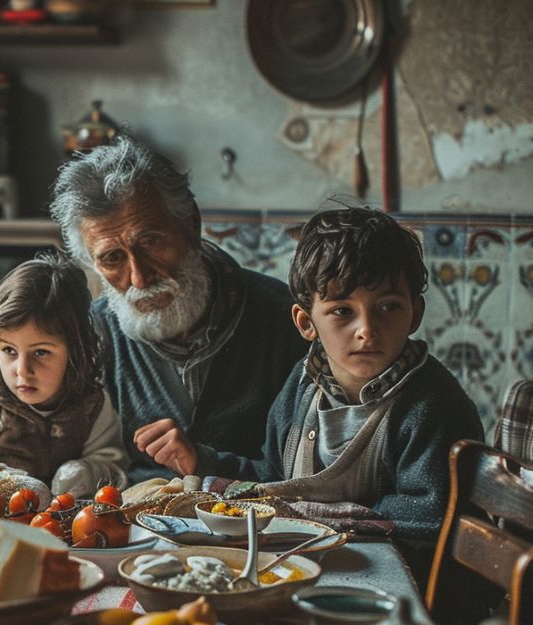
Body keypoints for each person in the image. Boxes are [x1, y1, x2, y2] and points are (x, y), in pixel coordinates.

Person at [139, 206, 483, 548]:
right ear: (306, 323)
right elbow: (274, 480)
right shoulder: (303, 386)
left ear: (415, 314)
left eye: (388, 306)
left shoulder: (430, 404)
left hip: (398, 577)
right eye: (342, 311)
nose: (367, 329)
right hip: (311, 558)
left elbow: (428, 517)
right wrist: (201, 460)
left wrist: (310, 516)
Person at [50, 136, 308, 484]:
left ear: (191, 224)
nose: (139, 278)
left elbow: (305, 473)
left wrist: (206, 463)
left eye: (151, 242)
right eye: (112, 258)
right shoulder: (92, 334)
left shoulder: (284, 318)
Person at [0, 254, 129, 495]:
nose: (22, 369)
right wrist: (7, 483)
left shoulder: (93, 401)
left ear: (75, 350)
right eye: (9, 350)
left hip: (69, 525)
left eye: (41, 352)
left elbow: (114, 462)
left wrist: (87, 471)